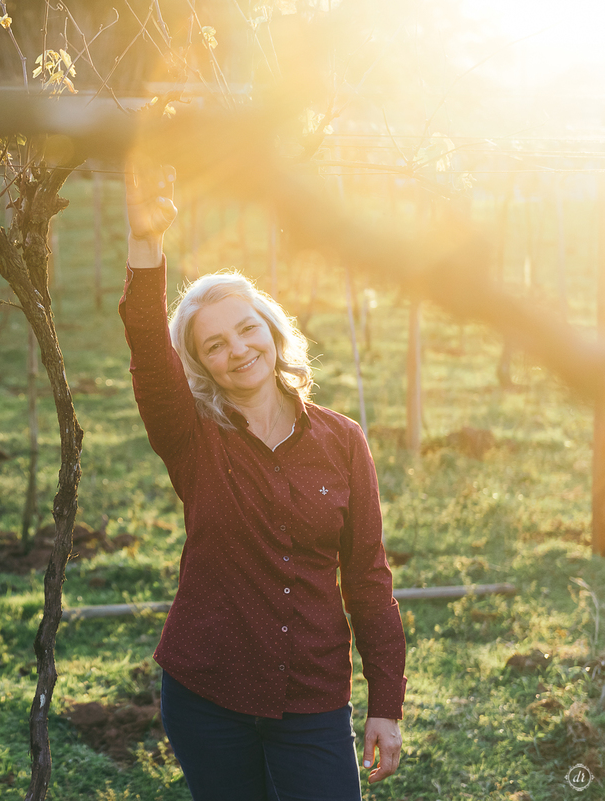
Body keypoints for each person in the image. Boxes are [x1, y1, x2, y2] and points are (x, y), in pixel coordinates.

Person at [119, 161, 406, 801]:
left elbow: (367, 576)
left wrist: (385, 701)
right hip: (206, 693)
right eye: (213, 345)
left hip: (311, 696)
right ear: (201, 366)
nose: (238, 350)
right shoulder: (191, 439)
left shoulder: (342, 441)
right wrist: (146, 242)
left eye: (247, 329)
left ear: (273, 333)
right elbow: (144, 338)